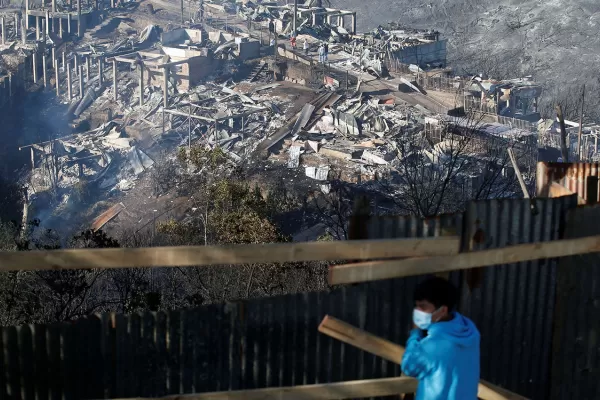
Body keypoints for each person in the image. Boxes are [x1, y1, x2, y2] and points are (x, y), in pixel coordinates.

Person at [402, 277, 480, 400]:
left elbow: (409, 367)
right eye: (416, 306)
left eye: (423, 307)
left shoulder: (432, 346)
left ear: (443, 310)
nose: (417, 311)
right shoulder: (470, 331)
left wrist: (415, 333)